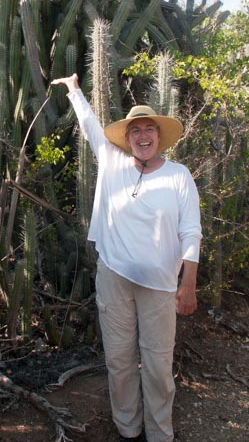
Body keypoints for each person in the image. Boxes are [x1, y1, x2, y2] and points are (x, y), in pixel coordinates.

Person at [51, 74, 202, 442]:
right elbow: (90, 126)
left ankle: (160, 434)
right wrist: (74, 90)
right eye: (136, 130)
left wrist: (188, 285)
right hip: (113, 277)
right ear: (127, 137)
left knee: (157, 364)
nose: (143, 136)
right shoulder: (112, 161)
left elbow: (191, 232)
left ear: (158, 136)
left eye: (149, 129)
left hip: (160, 287)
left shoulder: (179, 176)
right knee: (119, 360)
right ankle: (127, 429)